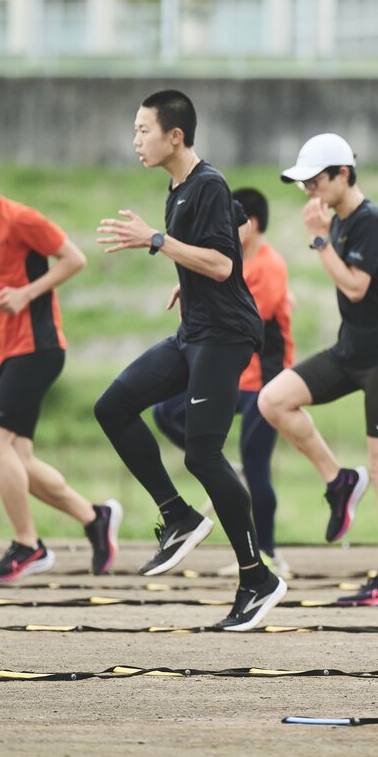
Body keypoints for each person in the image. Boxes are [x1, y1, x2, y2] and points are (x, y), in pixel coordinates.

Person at [93, 90, 285, 631]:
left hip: (223, 337)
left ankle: (257, 577)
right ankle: (178, 516)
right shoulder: (180, 189)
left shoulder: (208, 182)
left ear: (175, 135)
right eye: (134, 131)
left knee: (203, 455)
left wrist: (157, 241)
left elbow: (223, 264)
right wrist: (188, 284)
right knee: (114, 406)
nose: (136, 141)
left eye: (143, 130)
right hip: (195, 330)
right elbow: (226, 243)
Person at [0, 139, 119, 584]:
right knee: (18, 458)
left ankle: (28, 546)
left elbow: (75, 259)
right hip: (7, 350)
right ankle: (95, 518)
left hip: (39, 346)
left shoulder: (21, 218)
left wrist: (27, 294)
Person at [257, 133, 378, 606]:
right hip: (350, 351)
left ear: (342, 174)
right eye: (302, 182)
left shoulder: (361, 220)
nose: (307, 190)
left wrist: (320, 241)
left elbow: (354, 288)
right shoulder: (354, 218)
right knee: (274, 400)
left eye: (313, 180)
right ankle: (339, 480)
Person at [150, 187, 293, 576]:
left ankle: (267, 553)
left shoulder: (270, 265)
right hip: (231, 378)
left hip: (264, 385)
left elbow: (241, 313)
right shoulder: (235, 261)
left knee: (258, 466)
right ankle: (228, 468)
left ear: (251, 226)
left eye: (228, 226)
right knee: (166, 411)